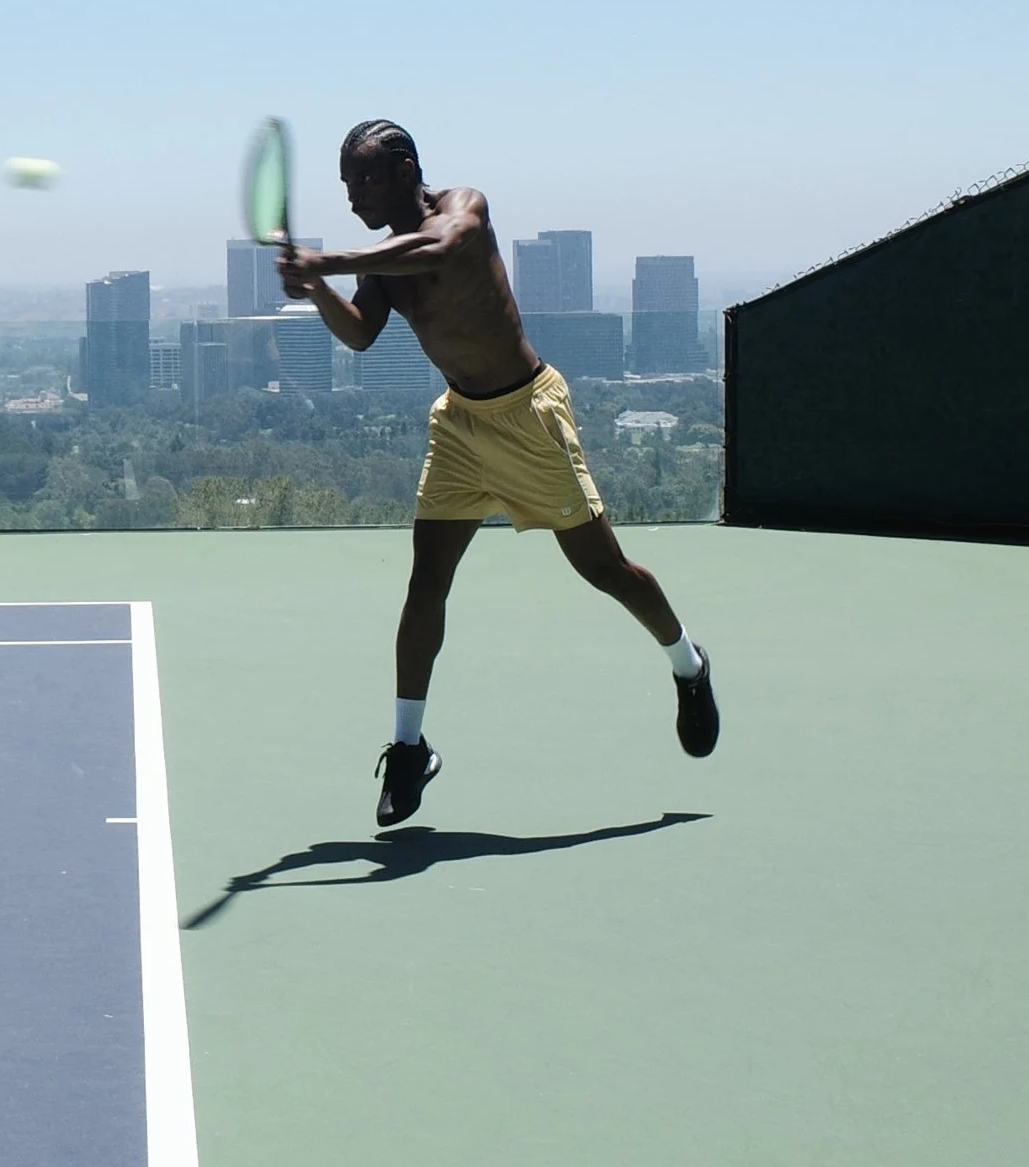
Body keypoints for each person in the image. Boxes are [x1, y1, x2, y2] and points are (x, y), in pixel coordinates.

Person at [280, 120, 718, 829]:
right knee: (427, 580)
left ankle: (689, 665)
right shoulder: (383, 259)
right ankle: (408, 747)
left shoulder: (464, 208)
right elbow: (361, 332)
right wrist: (316, 286)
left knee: (604, 570)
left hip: (528, 417)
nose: (354, 195)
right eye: (345, 185)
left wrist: (321, 263)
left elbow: (438, 245)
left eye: (365, 178)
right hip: (459, 424)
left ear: (405, 169)